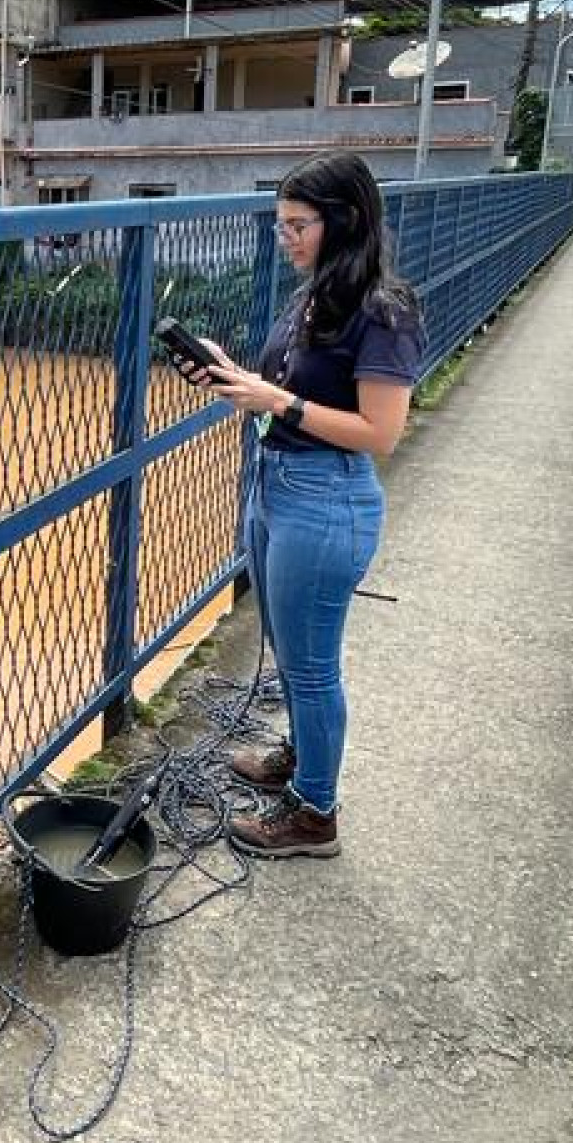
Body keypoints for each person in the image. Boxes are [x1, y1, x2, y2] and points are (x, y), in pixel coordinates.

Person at [173, 153, 424, 859]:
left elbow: (380, 433)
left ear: (343, 222)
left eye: (298, 224)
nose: (285, 236)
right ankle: (302, 759)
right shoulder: (312, 294)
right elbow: (287, 387)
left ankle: (316, 814)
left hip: (326, 497)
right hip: (274, 483)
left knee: (313, 667)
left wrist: (279, 400)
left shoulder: (384, 311)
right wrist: (235, 376)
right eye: (280, 223)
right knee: (288, 649)